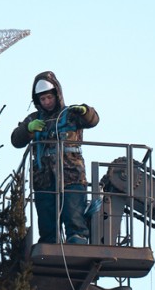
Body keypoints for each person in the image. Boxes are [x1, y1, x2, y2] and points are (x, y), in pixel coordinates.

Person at [11, 71, 99, 244]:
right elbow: (16, 139)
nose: (47, 102)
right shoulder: (33, 118)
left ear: (56, 95)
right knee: (46, 219)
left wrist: (85, 111)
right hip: (43, 178)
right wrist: (28, 128)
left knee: (73, 213)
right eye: (42, 99)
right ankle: (49, 244)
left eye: (49, 97)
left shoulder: (71, 114)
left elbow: (93, 120)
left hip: (71, 174)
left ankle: (77, 239)